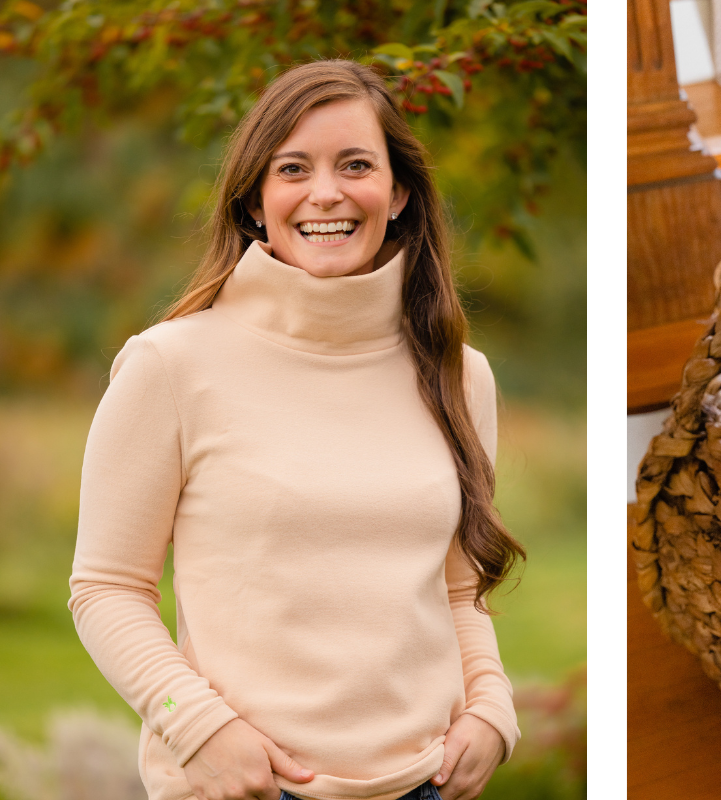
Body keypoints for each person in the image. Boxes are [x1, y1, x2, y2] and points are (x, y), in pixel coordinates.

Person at [68, 59, 525, 800]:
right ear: (254, 200)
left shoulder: (459, 375)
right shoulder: (171, 365)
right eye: (293, 168)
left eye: (355, 165)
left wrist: (491, 709)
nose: (326, 193)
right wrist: (203, 731)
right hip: (243, 786)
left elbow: (456, 588)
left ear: (400, 191)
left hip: (424, 784)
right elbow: (106, 588)